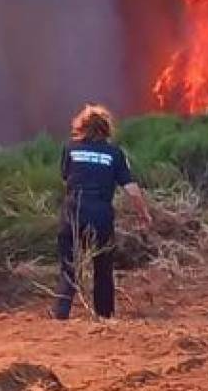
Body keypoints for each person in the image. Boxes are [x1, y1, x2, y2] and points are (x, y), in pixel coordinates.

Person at [53, 104, 151, 320]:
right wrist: (144, 214)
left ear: (81, 126)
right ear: (106, 128)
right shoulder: (114, 154)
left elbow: (65, 179)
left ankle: (60, 318)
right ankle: (104, 318)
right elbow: (132, 190)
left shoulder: (70, 149)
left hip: (72, 214)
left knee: (68, 268)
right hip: (100, 217)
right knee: (103, 269)